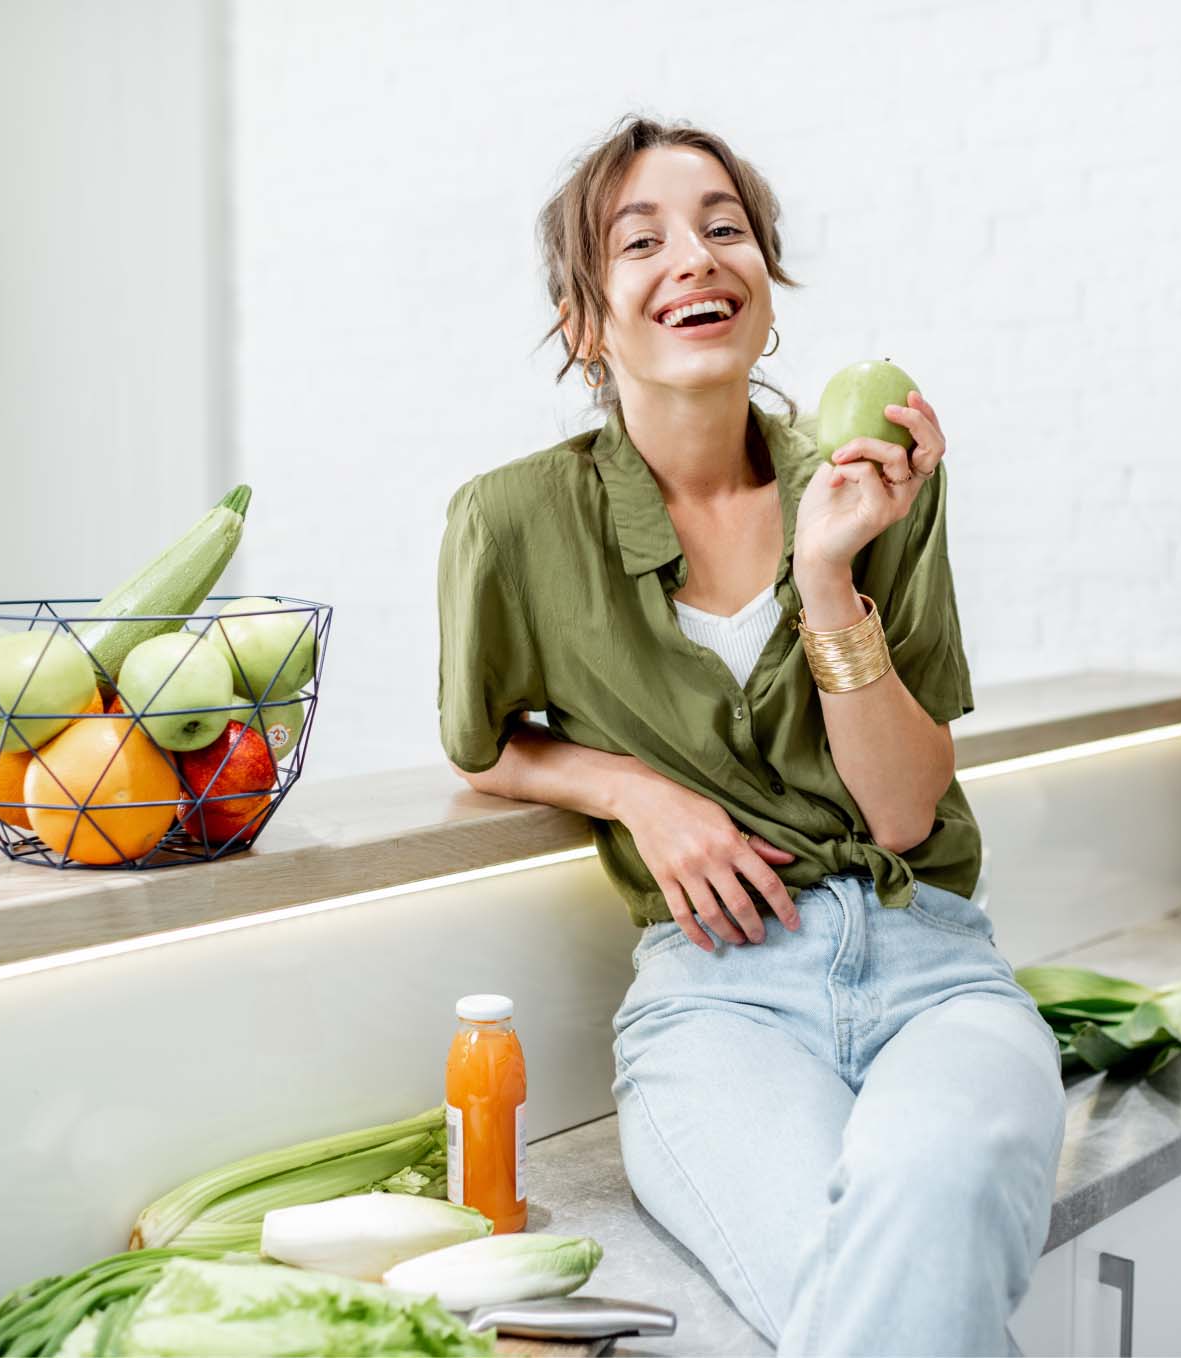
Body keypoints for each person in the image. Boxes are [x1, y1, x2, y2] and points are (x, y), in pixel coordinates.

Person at [436, 114, 1066, 1357]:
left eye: (726, 228)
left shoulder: (872, 480)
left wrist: (830, 576)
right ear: (584, 316)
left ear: (766, 294)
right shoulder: (508, 520)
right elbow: (482, 744)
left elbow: (898, 812)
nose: (697, 257)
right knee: (890, 1292)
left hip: (934, 972)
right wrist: (634, 789)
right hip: (717, 999)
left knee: (933, 1185)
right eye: (642, 238)